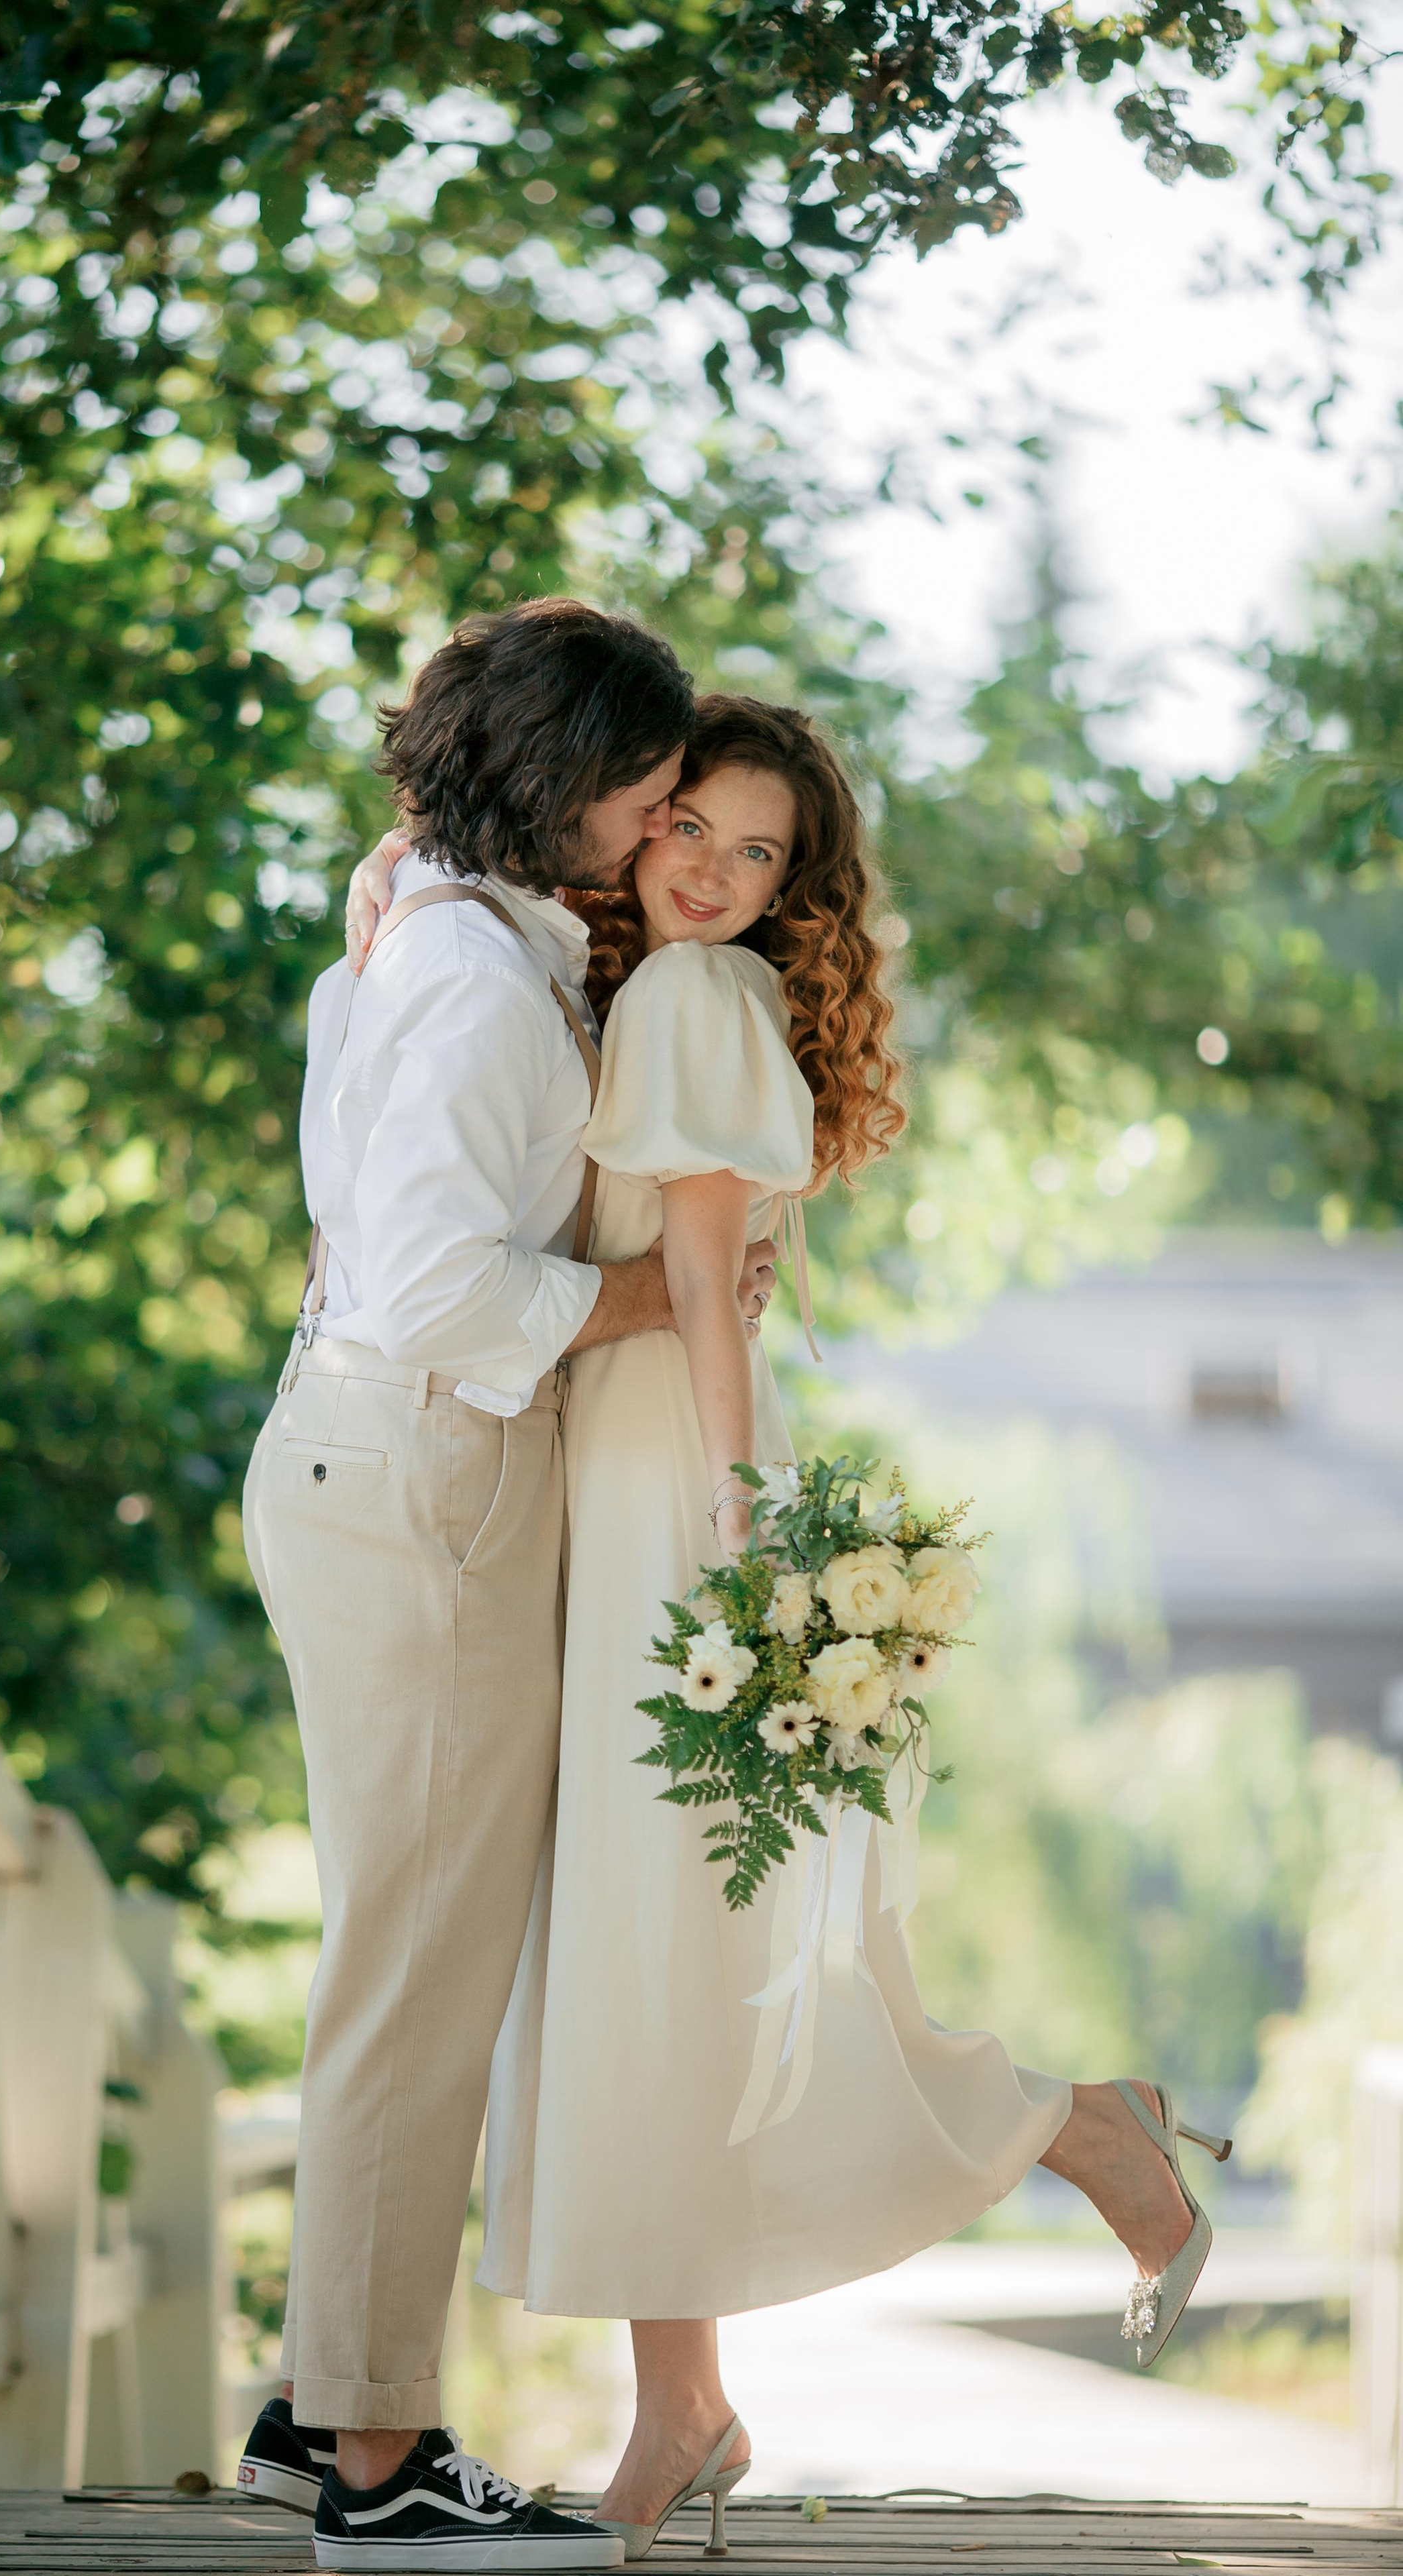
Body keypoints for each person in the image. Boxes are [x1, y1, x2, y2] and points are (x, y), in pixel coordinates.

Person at [339, 692, 1230, 2561]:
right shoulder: (636, 987)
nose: (718, 874)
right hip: (626, 1466)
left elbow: (706, 1296)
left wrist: (740, 1522)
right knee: (657, 1941)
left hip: (674, 1482)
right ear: (634, 819)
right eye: (693, 831)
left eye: (761, 854)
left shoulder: (681, 1002)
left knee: (682, 1926)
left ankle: (1077, 2131)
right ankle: (685, 2396)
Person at [236, 600, 780, 2572]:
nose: (661, 815)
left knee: (404, 1952)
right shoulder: (469, 973)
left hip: (371, 1462)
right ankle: (376, 2458)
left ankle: (334, 2404)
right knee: (419, 1976)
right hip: (427, 1467)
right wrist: (659, 1295)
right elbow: (433, 1287)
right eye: (646, 781)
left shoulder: (437, 934)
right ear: (566, 775)